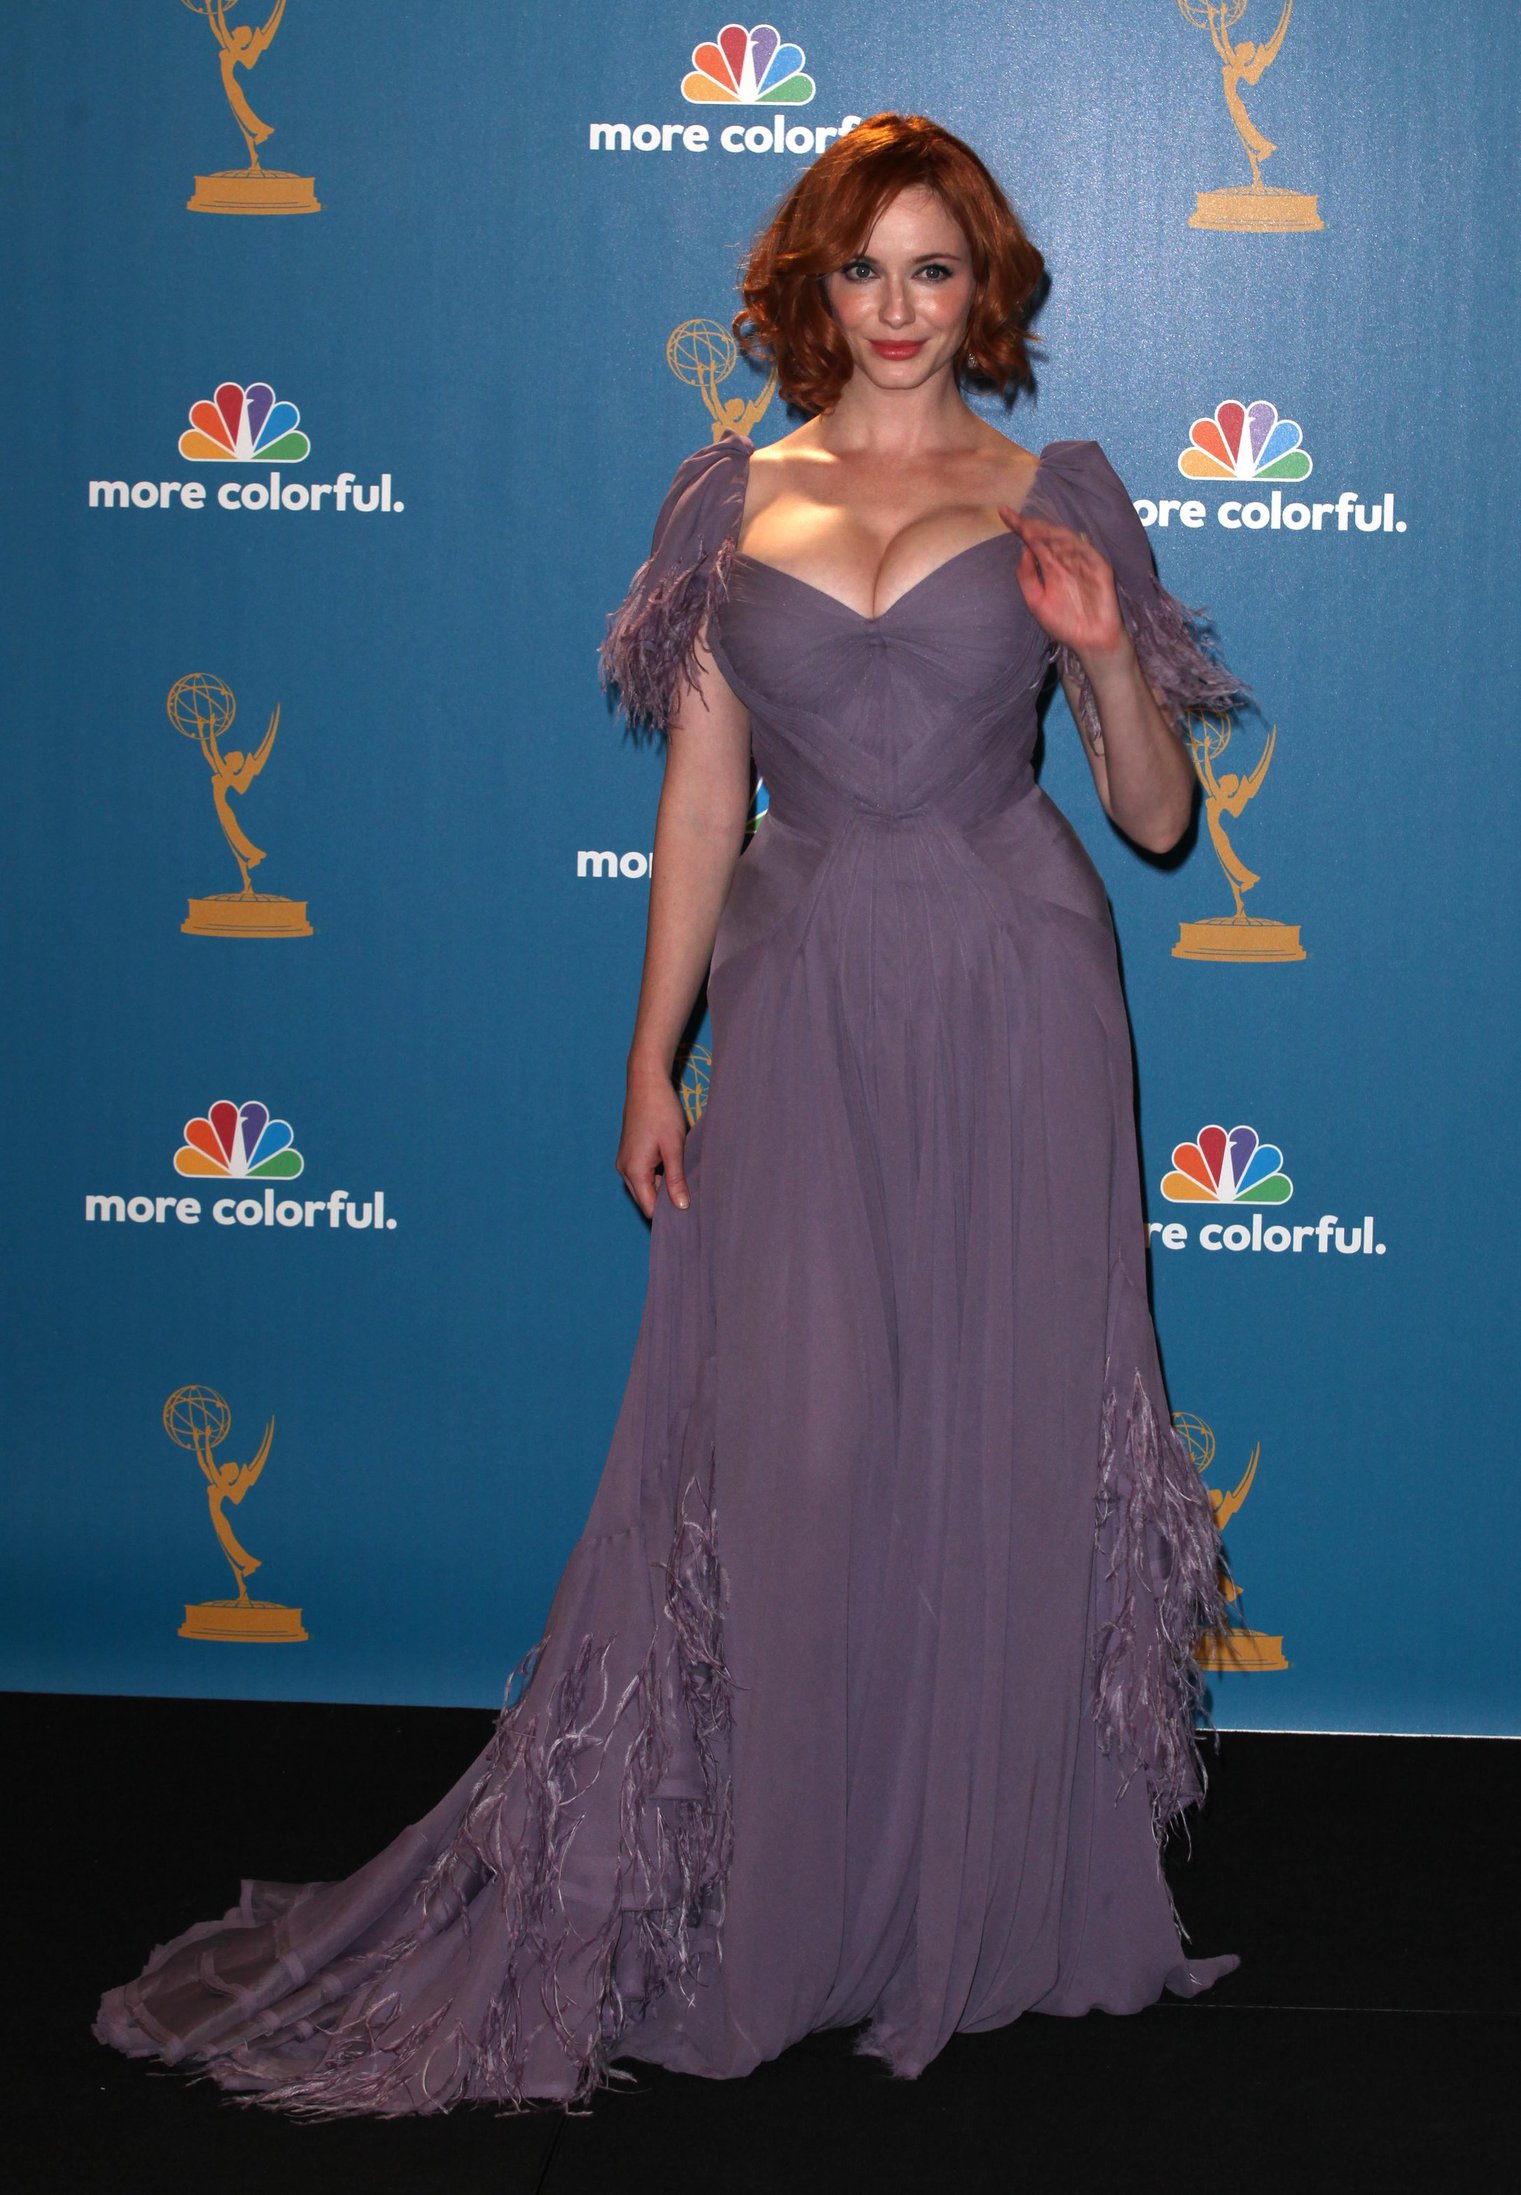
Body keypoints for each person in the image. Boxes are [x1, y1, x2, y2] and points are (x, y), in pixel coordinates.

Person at [94, 112, 1245, 2117]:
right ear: (806, 287)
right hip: (795, 1004)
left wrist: (1098, 661)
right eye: (863, 269)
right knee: (793, 1451)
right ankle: (790, 1902)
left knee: (999, 1429)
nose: (897, 310)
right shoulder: (727, 496)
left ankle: (992, 1899)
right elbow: (701, 794)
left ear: (985, 295)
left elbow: (1149, 814)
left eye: (934, 272)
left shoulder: (1056, 491)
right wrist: (650, 1052)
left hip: (1014, 990)